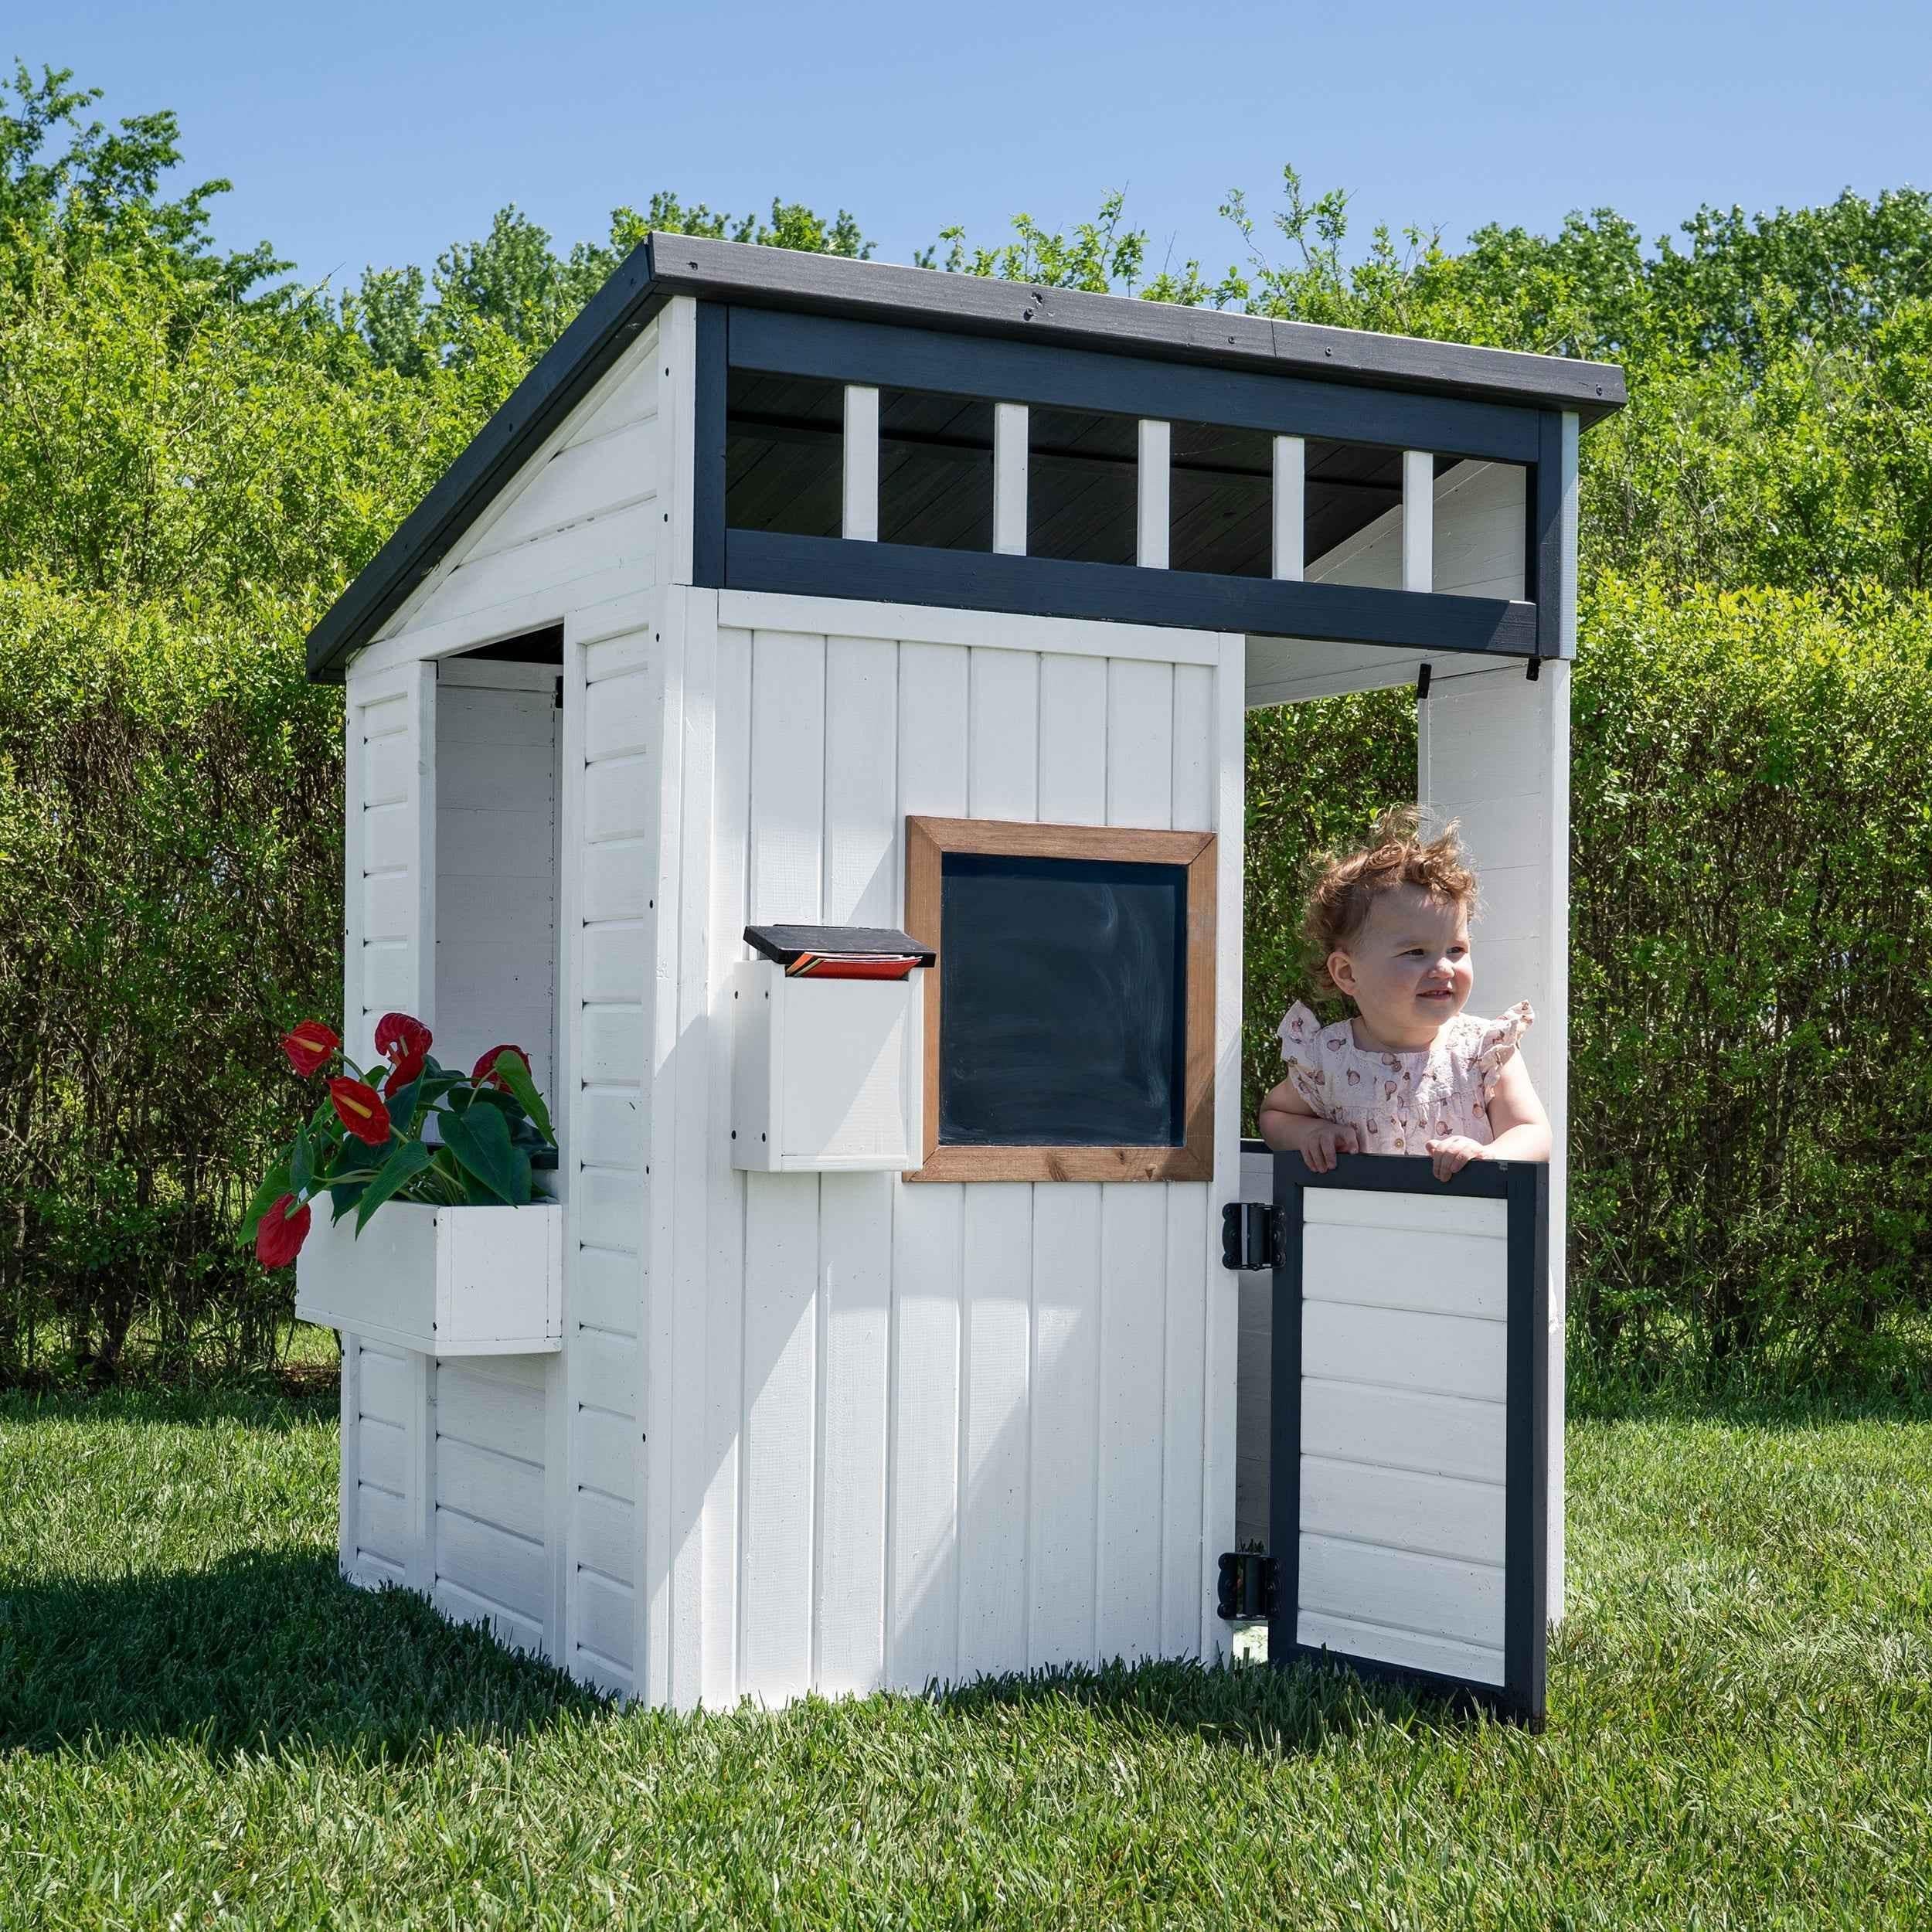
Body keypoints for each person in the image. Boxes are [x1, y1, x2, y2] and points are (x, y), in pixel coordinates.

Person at [1257, 808, 1552, 1182]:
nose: (1444, 968)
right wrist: (1309, 1134)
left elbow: (1533, 1132)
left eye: (1456, 950)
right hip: (1364, 1233)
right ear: (1348, 973)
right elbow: (1274, 1116)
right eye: (1416, 953)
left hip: (1464, 1232)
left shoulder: (1483, 1051)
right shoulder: (1328, 1058)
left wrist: (1487, 1156)